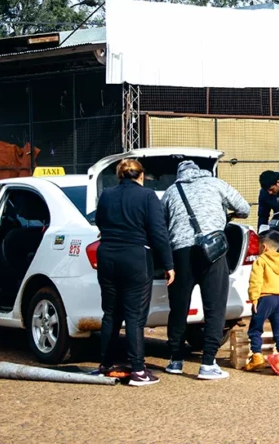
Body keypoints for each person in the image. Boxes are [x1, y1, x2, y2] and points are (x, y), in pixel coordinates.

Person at [162, 160, 250, 380]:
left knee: (179, 307)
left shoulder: (171, 191)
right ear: (201, 171)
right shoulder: (216, 184)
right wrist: (223, 215)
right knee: (214, 307)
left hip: (180, 253)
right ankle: (208, 363)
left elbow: (161, 223)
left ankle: (175, 361)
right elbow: (244, 208)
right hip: (212, 252)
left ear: (179, 174)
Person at [95, 158, 175, 387]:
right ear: (141, 176)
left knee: (110, 313)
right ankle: (138, 370)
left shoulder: (107, 195)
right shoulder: (148, 197)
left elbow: (100, 222)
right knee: (134, 315)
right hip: (135, 257)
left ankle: (105, 365)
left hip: (107, 255)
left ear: (119, 175)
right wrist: (168, 264)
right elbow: (159, 232)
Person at [244, 230, 279, 372]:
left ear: (264, 247)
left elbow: (256, 281)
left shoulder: (260, 261)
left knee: (256, 328)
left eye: (259, 246)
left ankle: (257, 356)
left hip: (265, 299)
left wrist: (254, 298)